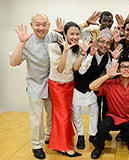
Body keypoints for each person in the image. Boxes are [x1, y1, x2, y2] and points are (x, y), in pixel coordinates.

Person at [9, 13, 63, 159]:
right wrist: (21, 42)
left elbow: (72, 36)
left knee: (53, 113)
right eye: (37, 24)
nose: (41, 27)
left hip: (52, 83)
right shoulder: (26, 41)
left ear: (49, 25)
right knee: (36, 118)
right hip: (35, 84)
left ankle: (49, 136)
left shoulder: (53, 36)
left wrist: (62, 31)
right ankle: (37, 146)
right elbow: (13, 62)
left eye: (44, 24)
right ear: (31, 25)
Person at [72, 28, 122, 149]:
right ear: (97, 41)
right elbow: (81, 70)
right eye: (102, 41)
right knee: (76, 112)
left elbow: (111, 72)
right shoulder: (86, 51)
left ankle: (93, 134)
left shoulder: (107, 56)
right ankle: (80, 136)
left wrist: (115, 58)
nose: (104, 45)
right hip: (78, 87)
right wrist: (90, 55)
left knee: (94, 112)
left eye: (108, 42)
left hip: (92, 89)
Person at [48, 21, 90, 157]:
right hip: (57, 84)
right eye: (72, 34)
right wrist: (65, 51)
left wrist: (83, 52)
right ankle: (64, 147)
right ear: (64, 34)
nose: (75, 36)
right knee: (62, 116)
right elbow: (60, 69)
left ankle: (59, 144)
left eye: (77, 34)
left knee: (65, 115)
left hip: (69, 84)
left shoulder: (76, 47)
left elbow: (76, 67)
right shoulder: (54, 46)